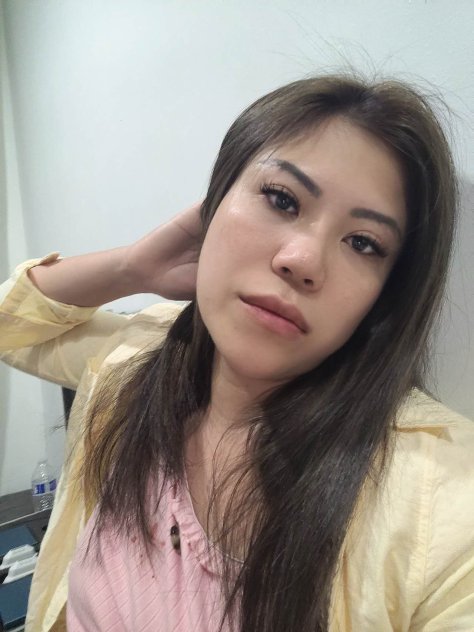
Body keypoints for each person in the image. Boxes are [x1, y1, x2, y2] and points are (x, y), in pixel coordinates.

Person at [1, 73, 473, 632]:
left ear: (387, 293)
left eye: (363, 243)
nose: (302, 260)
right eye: (282, 199)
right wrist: (133, 267)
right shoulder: (141, 357)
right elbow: (13, 329)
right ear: (214, 204)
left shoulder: (446, 503)